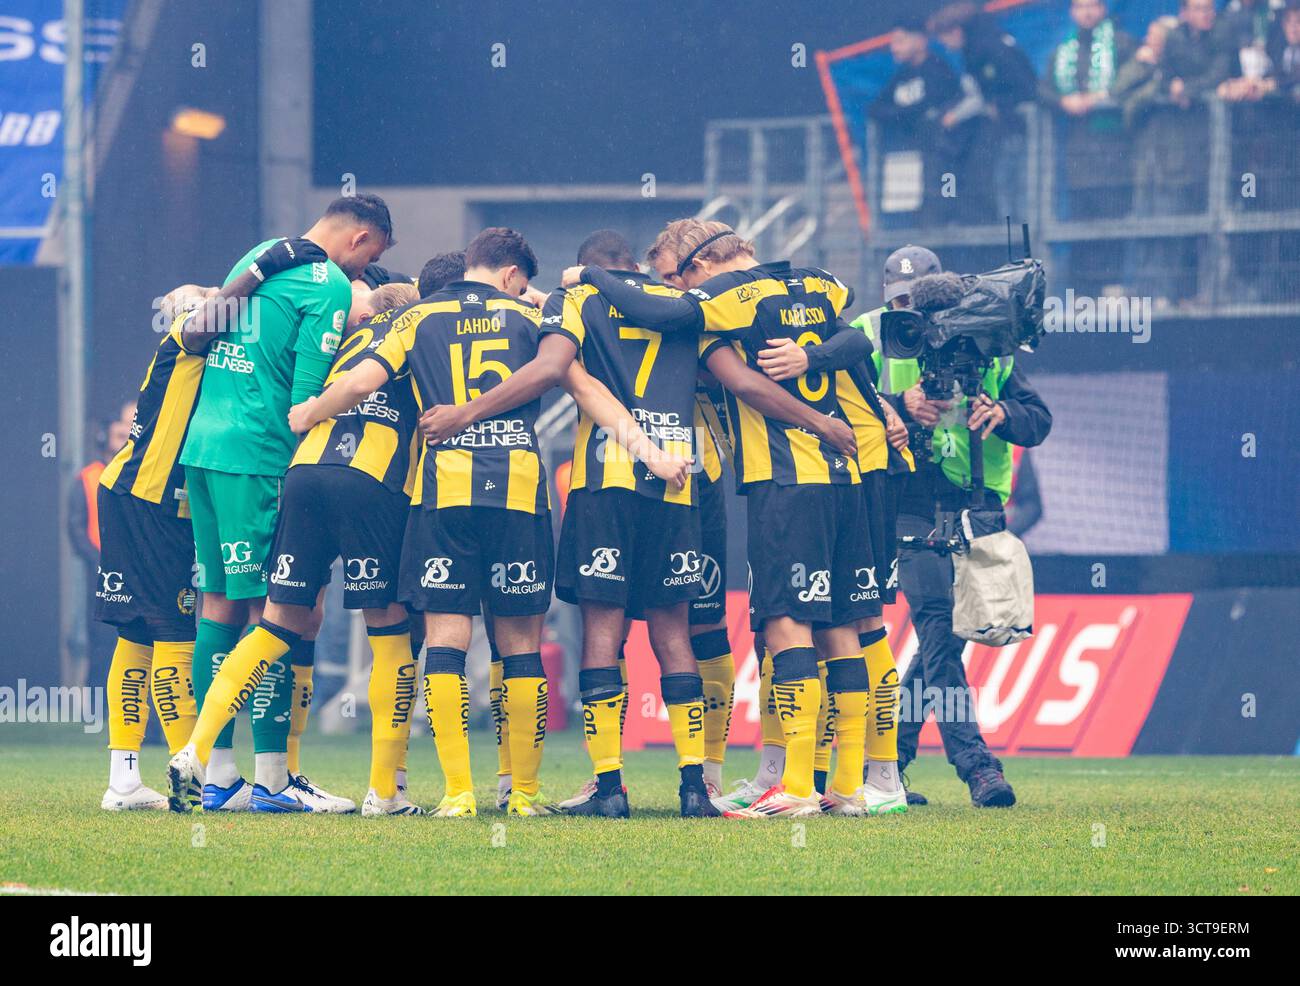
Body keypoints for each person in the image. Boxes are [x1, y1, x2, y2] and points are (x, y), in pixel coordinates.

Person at [294, 227, 690, 818]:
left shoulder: (418, 317)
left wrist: (307, 413)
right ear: (512, 276)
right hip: (518, 495)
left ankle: (458, 794)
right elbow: (587, 391)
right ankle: (524, 794)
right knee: (521, 644)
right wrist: (651, 452)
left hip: (444, 494)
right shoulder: (536, 318)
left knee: (447, 642)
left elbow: (360, 383)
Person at [562, 219, 883, 819]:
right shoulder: (815, 283)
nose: (672, 289)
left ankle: (788, 786)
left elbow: (690, 339)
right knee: (839, 626)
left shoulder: (719, 302)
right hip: (846, 476)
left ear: (700, 265)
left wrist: (589, 276)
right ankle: (847, 784)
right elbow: (861, 340)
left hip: (777, 478)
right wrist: (819, 364)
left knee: (782, 626)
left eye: (674, 276)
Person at [173, 194, 392, 813]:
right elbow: (304, 401)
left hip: (205, 447)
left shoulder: (260, 255)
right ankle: (270, 780)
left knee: (218, 603)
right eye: (367, 263)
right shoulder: (324, 282)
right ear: (359, 240)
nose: (361, 281)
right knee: (275, 615)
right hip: (259, 455)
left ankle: (219, 776)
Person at [97, 242, 326, 811]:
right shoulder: (186, 341)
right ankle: (192, 771)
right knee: (175, 632)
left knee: (139, 635)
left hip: (152, 497)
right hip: (148, 496)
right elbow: (214, 314)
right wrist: (263, 267)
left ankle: (126, 778)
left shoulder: (221, 356)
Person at [872, 254, 1053, 807]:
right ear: (887, 298)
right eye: (899, 303)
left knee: (940, 647)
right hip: (911, 505)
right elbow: (836, 402)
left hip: (975, 509)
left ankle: (885, 766)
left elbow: (1037, 419)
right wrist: (894, 405)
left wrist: (1000, 412)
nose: (914, 317)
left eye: (918, 302)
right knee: (938, 636)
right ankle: (978, 768)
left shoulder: (991, 350)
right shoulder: (870, 336)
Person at [929, 1, 1038, 221]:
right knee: (1007, 185)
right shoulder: (982, 46)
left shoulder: (984, 50)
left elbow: (986, 94)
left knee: (1019, 187)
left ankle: (1024, 242)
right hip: (1009, 128)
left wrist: (956, 115)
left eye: (944, 37)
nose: (945, 44)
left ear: (956, 31)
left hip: (1019, 127)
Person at [869, 12, 965, 226]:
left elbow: (936, 106)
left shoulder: (939, 70)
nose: (894, 48)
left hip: (943, 160)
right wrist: (906, 115)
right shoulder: (902, 75)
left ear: (921, 41)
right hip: (910, 161)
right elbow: (875, 109)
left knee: (939, 214)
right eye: (892, 42)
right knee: (912, 217)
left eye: (900, 41)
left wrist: (906, 115)